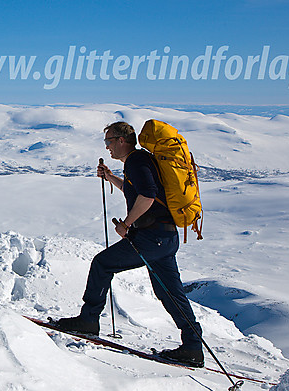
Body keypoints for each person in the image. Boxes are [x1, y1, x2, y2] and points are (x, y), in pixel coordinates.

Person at [52, 121, 204, 367]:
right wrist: (112, 178)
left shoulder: (136, 161)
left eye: (109, 141)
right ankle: (193, 347)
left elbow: (148, 195)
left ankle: (88, 320)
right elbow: (136, 190)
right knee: (170, 293)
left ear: (122, 140)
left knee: (102, 263)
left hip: (151, 237)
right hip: (165, 237)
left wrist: (127, 224)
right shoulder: (140, 161)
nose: (107, 147)